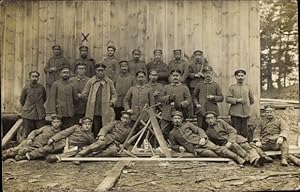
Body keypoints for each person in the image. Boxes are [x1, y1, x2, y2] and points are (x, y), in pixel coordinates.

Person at [169, 111, 246, 166]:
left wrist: (203, 137)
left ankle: (238, 158)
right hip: (195, 148)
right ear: (172, 120)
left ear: (182, 119)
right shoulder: (172, 133)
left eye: (178, 118)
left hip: (202, 142)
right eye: (175, 118)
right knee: (210, 154)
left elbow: (199, 130)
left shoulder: (188, 124)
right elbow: (173, 145)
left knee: (217, 149)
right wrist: (179, 147)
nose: (177, 120)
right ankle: (231, 159)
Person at [204, 111, 271, 167]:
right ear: (206, 120)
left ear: (215, 118)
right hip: (227, 144)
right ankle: (254, 159)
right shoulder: (208, 131)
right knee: (235, 146)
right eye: (207, 119)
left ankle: (255, 159)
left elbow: (232, 131)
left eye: (211, 118)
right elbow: (213, 143)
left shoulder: (221, 122)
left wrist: (230, 140)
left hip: (235, 138)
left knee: (246, 146)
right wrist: (225, 146)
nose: (210, 120)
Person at [25, 117, 95, 162]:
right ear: (82, 124)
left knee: (74, 151)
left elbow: (91, 145)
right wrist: (53, 139)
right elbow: (63, 133)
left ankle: (55, 158)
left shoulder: (90, 136)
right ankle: (29, 155)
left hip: (72, 147)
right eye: (85, 124)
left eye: (89, 124)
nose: (87, 126)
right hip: (65, 142)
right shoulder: (76, 127)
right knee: (48, 148)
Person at [82, 63, 117, 137]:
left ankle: (103, 141)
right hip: (94, 109)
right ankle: (93, 140)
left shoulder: (109, 82)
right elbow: (84, 93)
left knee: (105, 125)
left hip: (105, 108)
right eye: (98, 70)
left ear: (105, 71)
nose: (100, 72)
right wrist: (89, 100)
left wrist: (112, 101)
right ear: (95, 71)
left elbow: (114, 94)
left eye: (102, 70)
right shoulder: (91, 81)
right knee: (95, 126)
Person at [160, 69, 192, 138]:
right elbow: (160, 98)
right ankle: (167, 144)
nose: (175, 77)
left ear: (180, 77)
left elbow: (189, 99)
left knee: (180, 131)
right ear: (171, 77)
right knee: (164, 130)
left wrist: (182, 104)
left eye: (177, 75)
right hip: (167, 113)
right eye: (173, 75)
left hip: (179, 113)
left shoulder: (184, 88)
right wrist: (168, 97)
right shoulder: (166, 87)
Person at [226, 69, 254, 140]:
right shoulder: (232, 87)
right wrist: (237, 101)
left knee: (244, 131)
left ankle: (244, 144)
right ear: (235, 77)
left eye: (242, 76)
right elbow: (227, 99)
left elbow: (251, 100)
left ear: (245, 77)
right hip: (235, 113)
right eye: (238, 76)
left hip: (245, 113)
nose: (240, 77)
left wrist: (246, 105)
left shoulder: (247, 87)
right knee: (236, 131)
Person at [193, 66, 223, 130]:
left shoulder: (216, 85)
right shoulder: (199, 85)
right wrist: (197, 104)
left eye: (209, 73)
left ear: (212, 74)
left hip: (212, 110)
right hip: (201, 110)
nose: (208, 75)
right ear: (203, 74)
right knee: (201, 128)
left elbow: (221, 98)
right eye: (206, 73)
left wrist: (214, 97)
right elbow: (194, 96)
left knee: (213, 128)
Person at [19, 71, 47, 141]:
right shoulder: (26, 88)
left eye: (36, 77)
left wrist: (39, 106)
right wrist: (28, 107)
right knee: (27, 133)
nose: (34, 78)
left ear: (38, 78)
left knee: (40, 132)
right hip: (28, 113)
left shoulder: (41, 87)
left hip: (40, 114)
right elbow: (22, 100)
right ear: (29, 78)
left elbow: (44, 98)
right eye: (33, 76)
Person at [44, 45, 70, 113]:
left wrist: (59, 69)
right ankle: (51, 111)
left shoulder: (63, 59)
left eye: (58, 50)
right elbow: (45, 69)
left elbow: (67, 67)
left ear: (60, 51)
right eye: (55, 50)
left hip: (60, 81)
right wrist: (50, 69)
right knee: (51, 96)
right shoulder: (51, 59)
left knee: (60, 97)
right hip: (51, 81)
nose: (56, 51)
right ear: (53, 51)